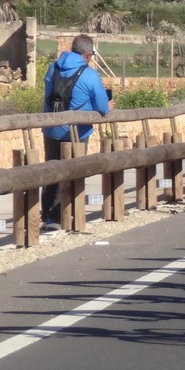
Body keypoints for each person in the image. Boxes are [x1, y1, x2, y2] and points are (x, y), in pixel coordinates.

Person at [41, 34, 111, 231]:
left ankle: (48, 215)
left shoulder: (52, 68)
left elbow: (47, 95)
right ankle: (68, 214)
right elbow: (102, 108)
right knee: (74, 172)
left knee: (51, 170)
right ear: (88, 55)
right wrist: (108, 105)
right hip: (77, 133)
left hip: (51, 129)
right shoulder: (89, 75)